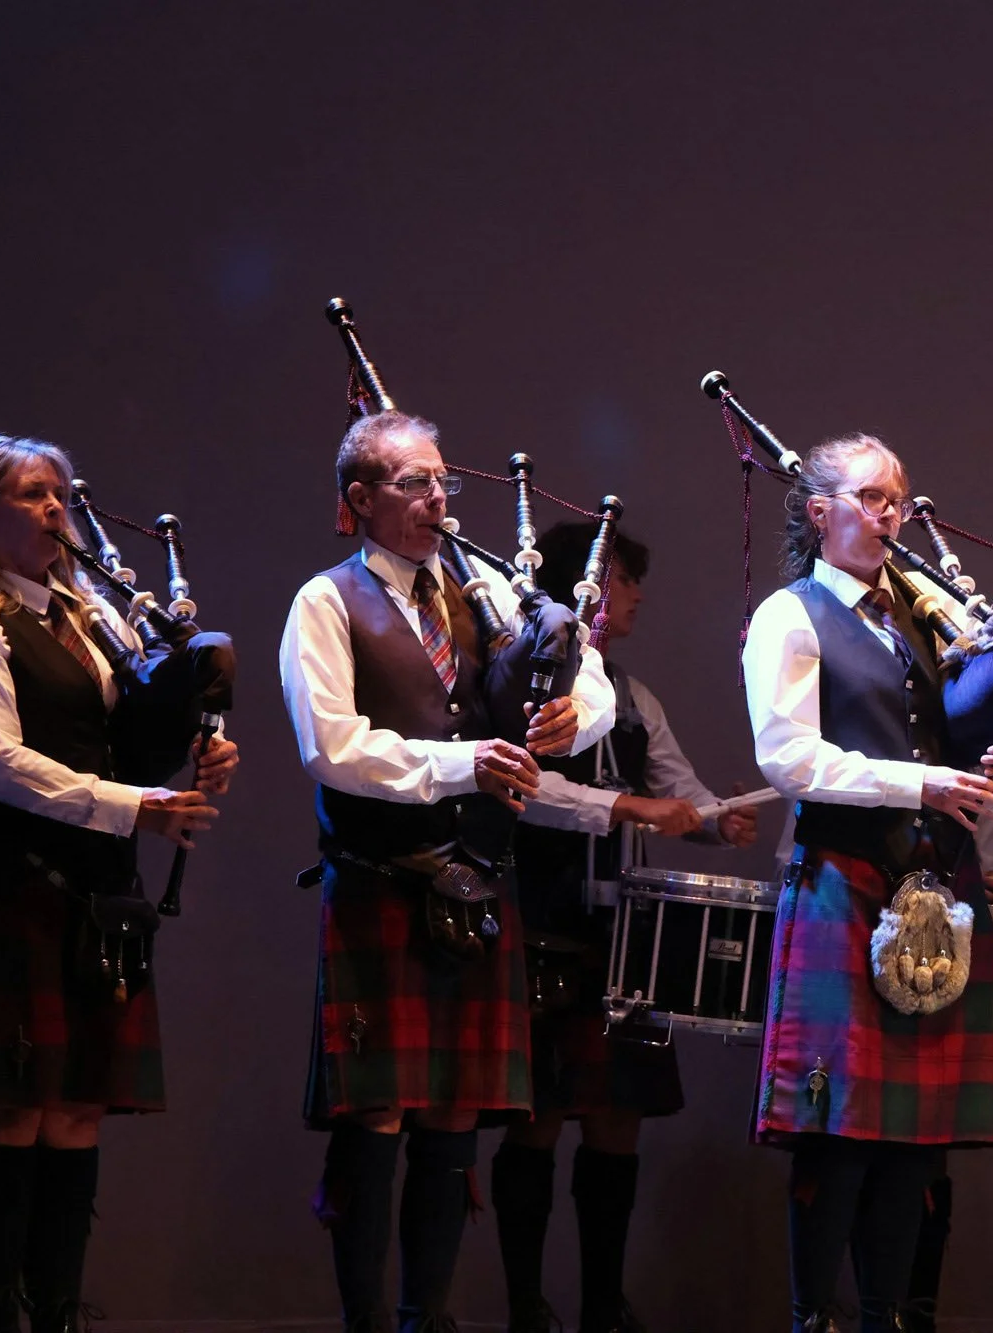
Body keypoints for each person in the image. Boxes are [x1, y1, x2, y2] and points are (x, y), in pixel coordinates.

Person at [280, 410, 614, 1333]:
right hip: (382, 877)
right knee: (378, 1118)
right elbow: (333, 748)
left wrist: (566, 724)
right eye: (413, 485)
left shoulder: (482, 591)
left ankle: (426, 1317)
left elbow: (591, 683)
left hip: (476, 880)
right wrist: (471, 762)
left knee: (453, 1120)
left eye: (442, 483)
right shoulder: (327, 601)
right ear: (359, 499)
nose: (437, 501)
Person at [0, 435, 238, 1332]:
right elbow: (0, 764)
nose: (58, 511)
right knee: (10, 1116)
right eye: (34, 495)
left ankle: (56, 1316)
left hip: (102, 899)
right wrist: (139, 807)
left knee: (77, 1115)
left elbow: (131, 744)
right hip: (16, 885)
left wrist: (195, 760)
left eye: (63, 494)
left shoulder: (95, 623)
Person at [741, 433, 993, 1333]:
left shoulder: (929, 613)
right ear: (819, 511)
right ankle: (815, 1318)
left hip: (935, 890)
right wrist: (921, 783)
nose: (891, 516)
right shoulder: (790, 617)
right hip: (845, 878)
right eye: (872, 499)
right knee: (837, 1135)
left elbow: (991, 711)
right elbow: (789, 758)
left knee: (915, 1140)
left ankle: (886, 1318)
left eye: (900, 500)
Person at [492, 520, 759, 1333]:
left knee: (617, 1122)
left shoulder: (634, 699)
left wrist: (719, 820)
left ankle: (604, 1308)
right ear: (583, 591)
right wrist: (631, 806)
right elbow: (527, 791)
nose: (636, 594)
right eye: (621, 579)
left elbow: (679, 789)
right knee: (535, 1118)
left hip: (622, 942)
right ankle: (525, 1309)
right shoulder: (531, 688)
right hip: (540, 921)